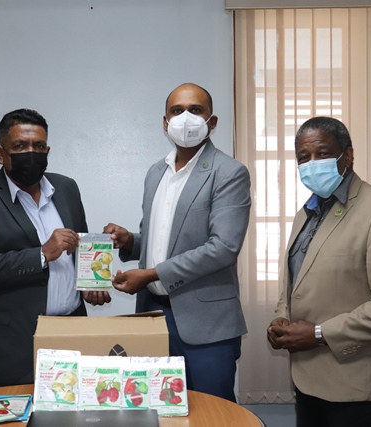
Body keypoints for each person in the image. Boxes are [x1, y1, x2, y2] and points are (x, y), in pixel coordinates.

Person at [103, 83, 251, 402]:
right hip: (153, 317)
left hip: (207, 324)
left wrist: (151, 274)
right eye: (177, 110)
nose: (185, 118)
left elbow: (223, 248)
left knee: (213, 414)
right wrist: (130, 242)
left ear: (212, 121)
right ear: (165, 122)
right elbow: (163, 243)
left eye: (195, 110)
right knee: (157, 409)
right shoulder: (156, 173)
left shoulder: (229, 172)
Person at [267, 117, 371, 427]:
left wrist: (319, 333)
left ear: (347, 155)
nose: (312, 163)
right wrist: (281, 319)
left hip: (358, 386)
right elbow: (294, 282)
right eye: (303, 157)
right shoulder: (305, 214)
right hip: (308, 381)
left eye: (322, 153)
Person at [0, 108, 109, 388]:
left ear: (47, 150)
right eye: (20, 146)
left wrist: (90, 283)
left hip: (73, 335)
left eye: (38, 146)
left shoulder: (66, 188)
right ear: (0, 153)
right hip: (11, 348)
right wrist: (41, 254)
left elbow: (80, 246)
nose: (31, 153)